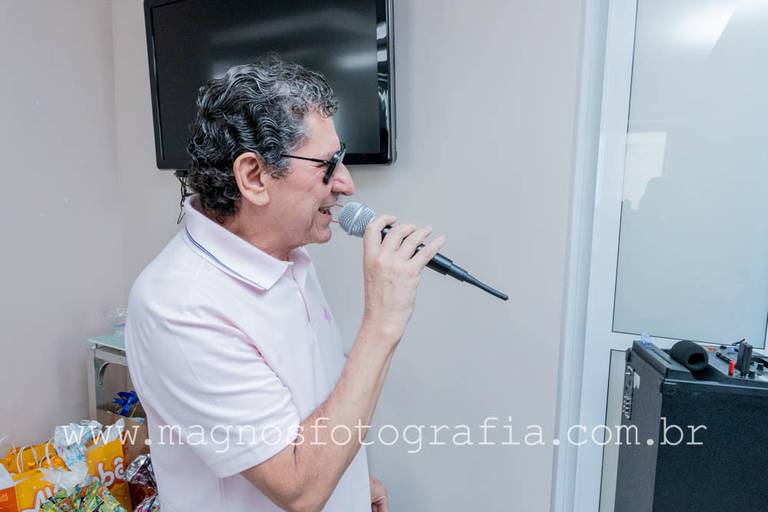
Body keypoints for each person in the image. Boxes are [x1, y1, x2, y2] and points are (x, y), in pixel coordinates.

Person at [125, 56, 445, 511]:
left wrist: (351, 479)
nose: (346, 184)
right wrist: (383, 324)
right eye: (327, 165)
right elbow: (298, 487)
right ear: (254, 176)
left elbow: (307, 408)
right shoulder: (178, 306)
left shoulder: (287, 254)